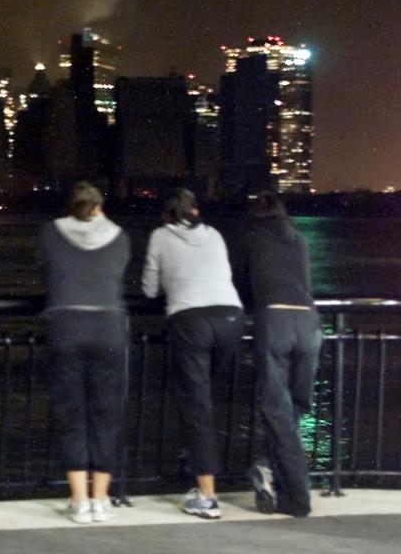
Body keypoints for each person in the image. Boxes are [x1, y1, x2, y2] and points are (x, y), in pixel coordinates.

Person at [142, 187, 244, 519]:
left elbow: (149, 288)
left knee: (196, 404)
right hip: (231, 316)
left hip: (190, 319)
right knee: (205, 398)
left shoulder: (159, 236)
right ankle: (200, 458)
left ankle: (207, 495)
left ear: (166, 213)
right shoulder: (213, 234)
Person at [38, 181, 131, 524]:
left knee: (70, 412)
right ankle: (101, 498)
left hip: (65, 325)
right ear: (99, 207)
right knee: (106, 412)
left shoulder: (51, 232)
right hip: (108, 326)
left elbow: (45, 273)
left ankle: (78, 500)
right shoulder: (119, 236)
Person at [232, 191, 321, 517]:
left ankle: (297, 497)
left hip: (276, 321)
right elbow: (306, 282)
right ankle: (267, 466)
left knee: (275, 409)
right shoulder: (297, 239)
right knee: (296, 405)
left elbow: (240, 284)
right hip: (309, 322)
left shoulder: (251, 238)